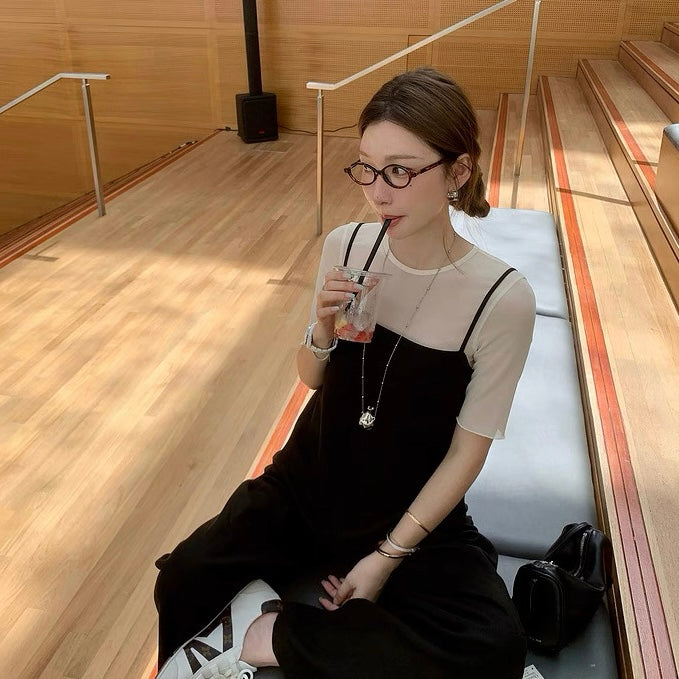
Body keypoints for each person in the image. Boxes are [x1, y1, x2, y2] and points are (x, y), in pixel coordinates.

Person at [153, 67, 536, 679]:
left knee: (493, 649)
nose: (378, 193)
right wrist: (321, 330)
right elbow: (311, 378)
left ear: (458, 171)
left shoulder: (501, 298)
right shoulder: (347, 246)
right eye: (367, 168)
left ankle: (276, 636)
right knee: (184, 575)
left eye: (400, 172)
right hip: (307, 482)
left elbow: (467, 453)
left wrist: (386, 557)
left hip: (407, 511)